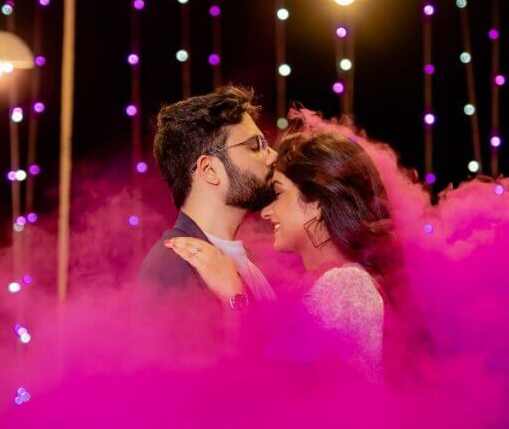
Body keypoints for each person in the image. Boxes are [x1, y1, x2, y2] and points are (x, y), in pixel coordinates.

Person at [165, 122, 394, 379]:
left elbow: (275, 389)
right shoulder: (330, 281)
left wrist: (234, 296)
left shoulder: (346, 286)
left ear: (316, 202)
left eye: (278, 193)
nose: (266, 212)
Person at [134, 86, 278, 356]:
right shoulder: (173, 267)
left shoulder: (249, 260)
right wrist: (237, 303)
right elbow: (200, 393)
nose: (273, 156)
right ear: (209, 170)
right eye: (255, 146)